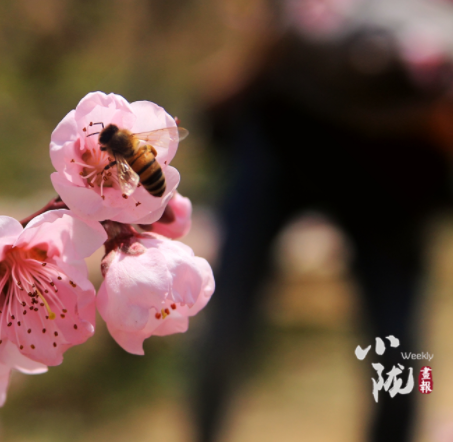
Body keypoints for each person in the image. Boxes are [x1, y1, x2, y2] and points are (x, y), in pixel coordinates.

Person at [192, 0, 453, 440]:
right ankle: (204, 429)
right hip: (287, 134)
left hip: (394, 168)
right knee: (221, 304)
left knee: (399, 346)